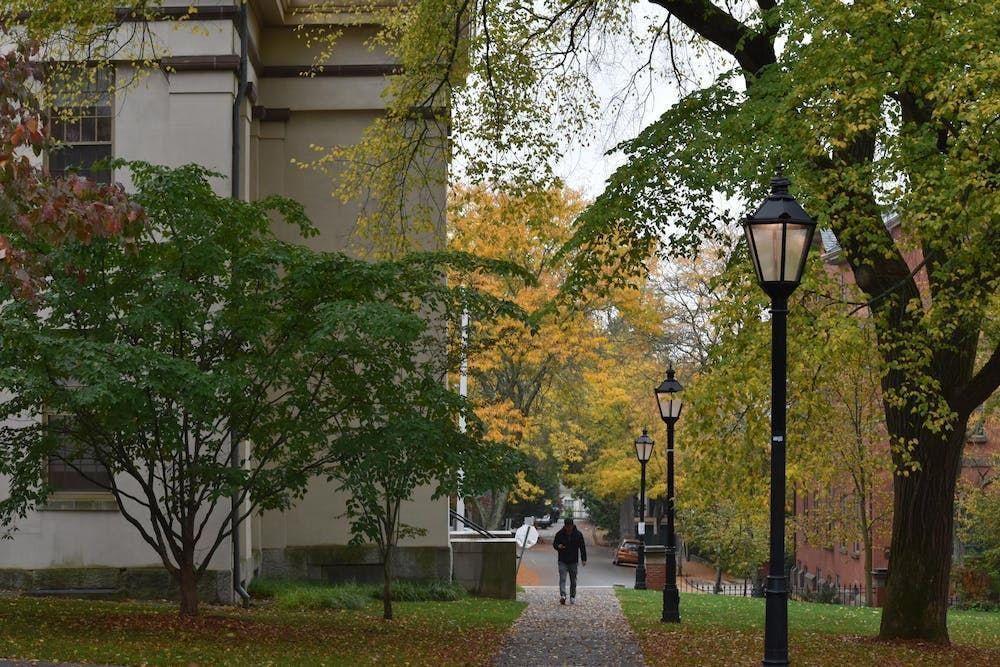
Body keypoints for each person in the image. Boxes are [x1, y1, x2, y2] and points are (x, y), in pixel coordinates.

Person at [553, 517, 586, 604]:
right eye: (567, 527)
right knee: (562, 578)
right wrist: (558, 546)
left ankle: (572, 596)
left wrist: (583, 559)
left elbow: (582, 547)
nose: (568, 528)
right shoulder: (560, 534)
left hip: (573, 561)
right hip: (562, 560)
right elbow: (555, 543)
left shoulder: (578, 535)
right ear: (565, 526)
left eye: (570, 526)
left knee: (573, 580)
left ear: (572, 525)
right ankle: (563, 595)